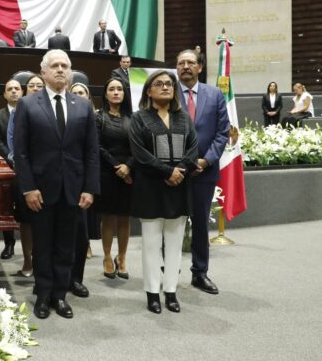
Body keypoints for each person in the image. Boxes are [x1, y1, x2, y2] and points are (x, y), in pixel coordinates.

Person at [14, 49, 100, 320]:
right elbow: (21, 152)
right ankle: (42, 294)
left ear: (70, 71)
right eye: (55, 66)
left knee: (66, 245)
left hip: (73, 190)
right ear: (43, 72)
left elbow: (91, 152)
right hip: (39, 190)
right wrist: (28, 188)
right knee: (42, 246)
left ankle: (59, 295)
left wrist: (89, 188)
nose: (60, 69)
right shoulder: (27, 105)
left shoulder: (83, 105)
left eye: (65, 65)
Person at [129, 70, 199, 314]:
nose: (165, 87)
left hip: (179, 189)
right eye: (158, 84)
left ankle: (170, 292)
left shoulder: (183, 117)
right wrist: (167, 172)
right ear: (149, 90)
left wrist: (179, 170)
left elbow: (193, 148)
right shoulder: (139, 118)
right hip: (150, 189)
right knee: (150, 245)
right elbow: (140, 154)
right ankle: (152, 294)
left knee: (175, 244)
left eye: (169, 84)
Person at [177, 49, 230, 295]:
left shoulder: (216, 94)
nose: (185, 66)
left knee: (200, 224)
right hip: (172, 172)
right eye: (181, 63)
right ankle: (168, 274)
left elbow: (222, 132)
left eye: (190, 63)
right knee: (171, 223)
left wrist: (206, 161)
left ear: (200, 67)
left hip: (204, 172)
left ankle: (200, 273)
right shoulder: (166, 91)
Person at [93, 77, 134, 281]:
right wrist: (116, 166)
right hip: (107, 173)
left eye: (119, 89)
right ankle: (107, 257)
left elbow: (139, 147)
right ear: (106, 94)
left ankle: (122, 257)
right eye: (112, 89)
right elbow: (97, 146)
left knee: (125, 218)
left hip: (129, 172)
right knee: (108, 217)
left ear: (125, 93)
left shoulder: (133, 118)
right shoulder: (98, 117)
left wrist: (128, 166)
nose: (116, 92)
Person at [6, 73, 44, 278]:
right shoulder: (18, 111)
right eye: (32, 85)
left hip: (48, 174)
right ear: (26, 90)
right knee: (27, 222)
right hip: (25, 174)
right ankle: (28, 261)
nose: (36, 88)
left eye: (40, 85)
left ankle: (44, 262)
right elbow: (13, 144)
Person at [67, 82, 98, 298]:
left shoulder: (87, 114)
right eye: (75, 92)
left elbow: (92, 152)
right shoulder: (61, 110)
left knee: (80, 236)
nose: (78, 96)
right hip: (57, 181)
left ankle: (76, 279)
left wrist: (89, 187)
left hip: (81, 184)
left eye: (82, 93)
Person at [0, 79, 23, 259]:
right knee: (6, 207)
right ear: (4, 94)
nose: (13, 92)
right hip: (7, 166)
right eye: (9, 89)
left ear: (22, 92)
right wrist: (13, 159)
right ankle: (9, 243)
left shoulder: (29, 113)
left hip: (28, 168)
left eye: (17, 89)